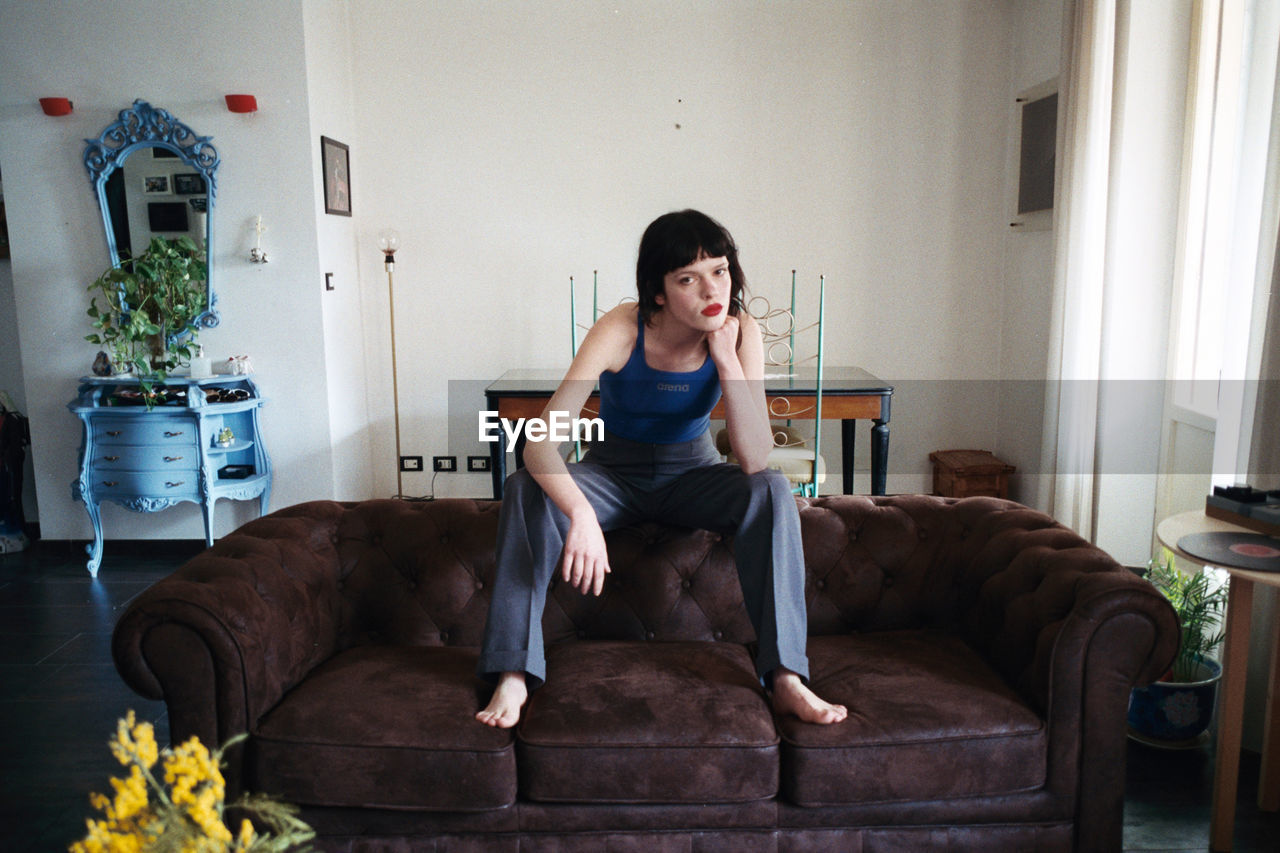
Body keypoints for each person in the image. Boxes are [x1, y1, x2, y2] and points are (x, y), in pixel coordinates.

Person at [476, 210, 847, 729]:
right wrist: (580, 515)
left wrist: (727, 361)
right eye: (687, 279)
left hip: (691, 475)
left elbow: (755, 457)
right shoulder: (621, 329)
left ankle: (786, 676)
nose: (710, 289)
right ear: (658, 291)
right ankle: (512, 673)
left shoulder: (741, 333)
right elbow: (537, 443)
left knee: (769, 489)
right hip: (612, 474)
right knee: (523, 489)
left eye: (719, 271)